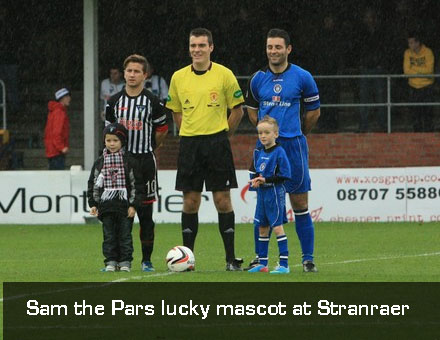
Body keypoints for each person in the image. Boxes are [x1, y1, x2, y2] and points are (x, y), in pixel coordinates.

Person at [166, 28, 245, 271]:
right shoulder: (178, 77)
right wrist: (190, 130)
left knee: (222, 200)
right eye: (193, 45)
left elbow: (238, 110)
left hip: (217, 144)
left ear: (211, 47)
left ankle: (230, 259)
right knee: (190, 202)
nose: (197, 50)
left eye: (202, 45)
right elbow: (176, 111)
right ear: (189, 48)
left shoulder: (224, 75)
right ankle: (188, 260)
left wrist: (222, 134)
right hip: (190, 145)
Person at [245, 28, 320, 273]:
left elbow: (313, 112)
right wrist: (264, 132)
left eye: (278, 47)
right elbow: (252, 110)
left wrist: (297, 133)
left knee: (299, 203)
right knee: (265, 206)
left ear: (288, 49)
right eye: (270, 47)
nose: (273, 51)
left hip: (293, 146)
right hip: (265, 150)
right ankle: (260, 259)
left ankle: (307, 259)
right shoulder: (257, 79)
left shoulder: (303, 77)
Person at [105, 54, 169, 272]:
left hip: (144, 162)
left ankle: (147, 260)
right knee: (120, 215)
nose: (132, 75)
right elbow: (109, 134)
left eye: (136, 71)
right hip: (121, 163)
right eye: (129, 71)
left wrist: (151, 146)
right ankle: (122, 260)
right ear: (124, 73)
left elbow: (162, 130)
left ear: (145, 75)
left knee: (145, 214)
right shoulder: (113, 102)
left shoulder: (153, 101)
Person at [87, 123, 142, 272]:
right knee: (109, 236)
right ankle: (110, 261)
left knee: (125, 236)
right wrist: (94, 203)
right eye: (108, 140)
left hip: (124, 207)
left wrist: (133, 205)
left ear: (122, 141)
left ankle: (125, 261)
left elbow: (136, 184)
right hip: (106, 207)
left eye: (115, 140)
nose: (111, 144)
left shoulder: (129, 161)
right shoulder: (100, 162)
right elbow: (94, 183)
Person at [248, 116, 291, 274]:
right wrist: (256, 181)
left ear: (276, 134)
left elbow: (285, 175)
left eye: (266, 132)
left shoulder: (280, 152)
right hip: (262, 195)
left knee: (277, 228)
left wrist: (265, 179)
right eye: (260, 133)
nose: (263, 136)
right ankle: (263, 263)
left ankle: (284, 265)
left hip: (274, 194)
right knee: (262, 228)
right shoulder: (259, 153)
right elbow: (259, 173)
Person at [357, 8, 387, 132]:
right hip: (366, 68)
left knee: (381, 99)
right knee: (364, 99)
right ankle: (363, 126)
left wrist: (381, 62)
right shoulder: (361, 33)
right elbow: (357, 48)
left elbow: (384, 48)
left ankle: (383, 125)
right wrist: (361, 63)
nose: (369, 20)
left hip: (377, 68)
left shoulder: (380, 32)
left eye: (371, 17)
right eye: (367, 17)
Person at [403, 33, 435, 132]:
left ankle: (429, 134)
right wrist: (421, 71)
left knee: (428, 113)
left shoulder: (428, 52)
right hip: (413, 87)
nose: (410, 45)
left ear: (418, 43)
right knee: (415, 113)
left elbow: (429, 70)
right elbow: (406, 71)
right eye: (409, 43)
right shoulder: (407, 53)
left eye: (411, 43)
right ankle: (417, 134)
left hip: (427, 86)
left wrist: (414, 70)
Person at [43, 88, 71, 170]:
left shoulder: (54, 111)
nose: (69, 98)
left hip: (52, 150)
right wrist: (61, 147)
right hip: (56, 152)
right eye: (67, 96)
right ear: (62, 99)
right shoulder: (59, 112)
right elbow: (56, 133)